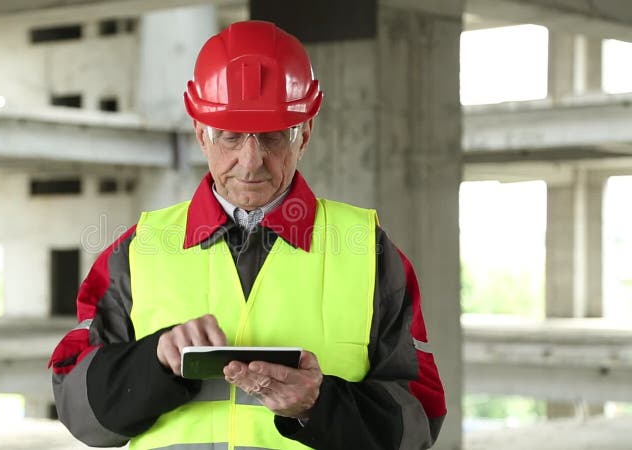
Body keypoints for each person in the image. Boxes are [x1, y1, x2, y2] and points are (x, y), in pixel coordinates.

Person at [49, 20, 446, 450]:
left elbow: (420, 424)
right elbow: (77, 409)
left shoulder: (370, 253)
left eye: (273, 137)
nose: (251, 160)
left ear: (304, 135)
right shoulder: (136, 252)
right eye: (230, 137)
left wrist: (319, 405)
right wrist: (155, 363)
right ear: (201, 134)